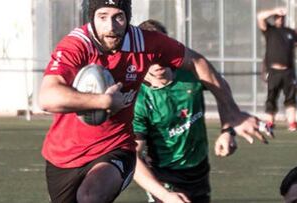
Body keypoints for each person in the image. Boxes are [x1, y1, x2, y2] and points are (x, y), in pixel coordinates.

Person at [39, 1, 271, 202]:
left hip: (115, 147)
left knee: (90, 196)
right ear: (92, 17)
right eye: (103, 17)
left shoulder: (145, 42)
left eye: (118, 17)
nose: (111, 27)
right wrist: (103, 101)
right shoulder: (77, 45)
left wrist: (230, 112)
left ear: (128, 16)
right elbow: (48, 97)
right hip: (64, 155)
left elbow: (197, 62)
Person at [133, 19, 238, 203]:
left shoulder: (190, 72)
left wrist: (227, 130)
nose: (157, 63)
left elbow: (221, 88)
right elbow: (133, 157)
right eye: (150, 55)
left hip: (200, 170)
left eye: (161, 53)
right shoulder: (139, 99)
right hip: (165, 176)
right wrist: (163, 194)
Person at [257, 7, 297, 131]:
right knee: (271, 98)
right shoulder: (270, 30)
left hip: (288, 72)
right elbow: (260, 17)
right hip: (274, 72)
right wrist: (275, 11)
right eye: (278, 17)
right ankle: (270, 123)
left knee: (290, 99)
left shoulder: (290, 32)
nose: (280, 18)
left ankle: (292, 123)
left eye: (282, 17)